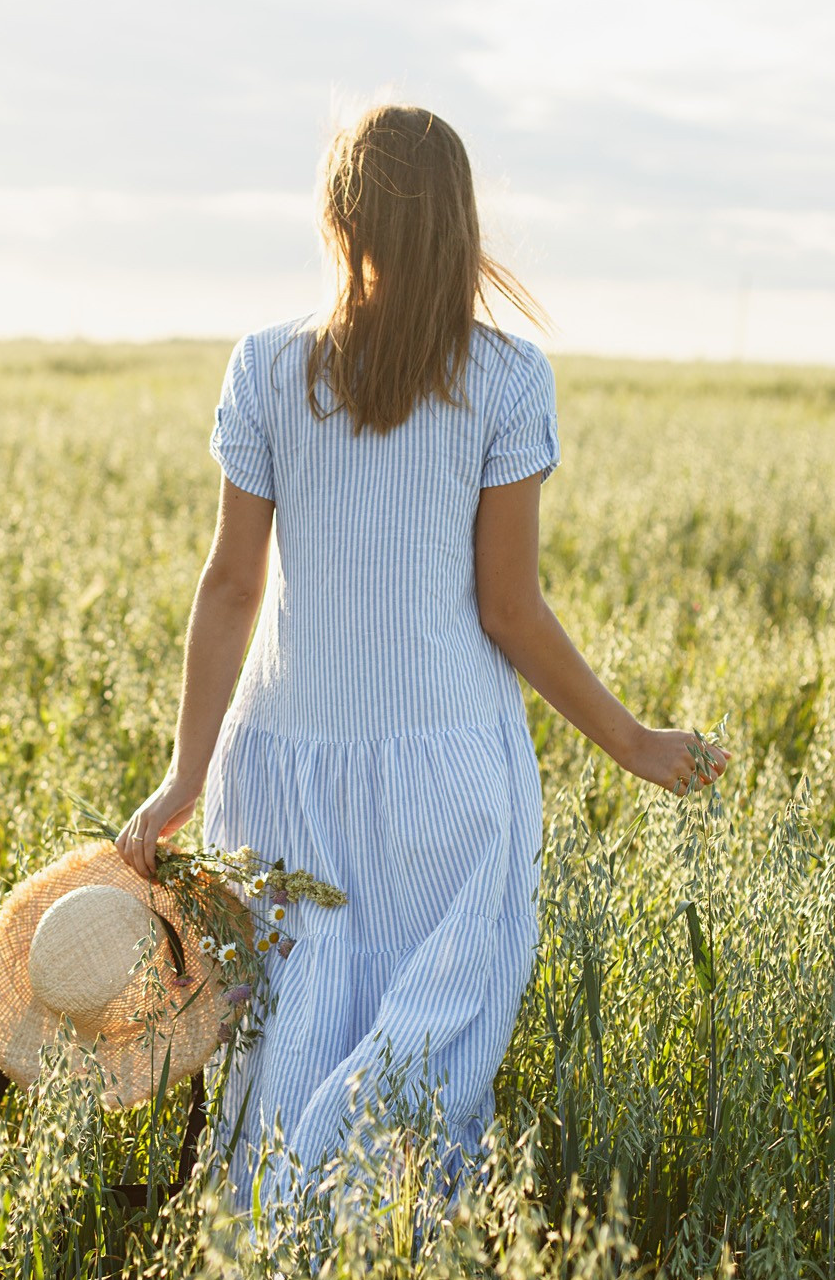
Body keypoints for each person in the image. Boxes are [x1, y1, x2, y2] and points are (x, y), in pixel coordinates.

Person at [115, 103, 729, 1219]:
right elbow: (509, 608)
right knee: (422, 1077)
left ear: (340, 218)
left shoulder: (265, 367)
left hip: (278, 774)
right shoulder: (506, 379)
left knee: (281, 1061)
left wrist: (182, 779)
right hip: (449, 778)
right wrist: (633, 741)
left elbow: (231, 587)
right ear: (457, 221)